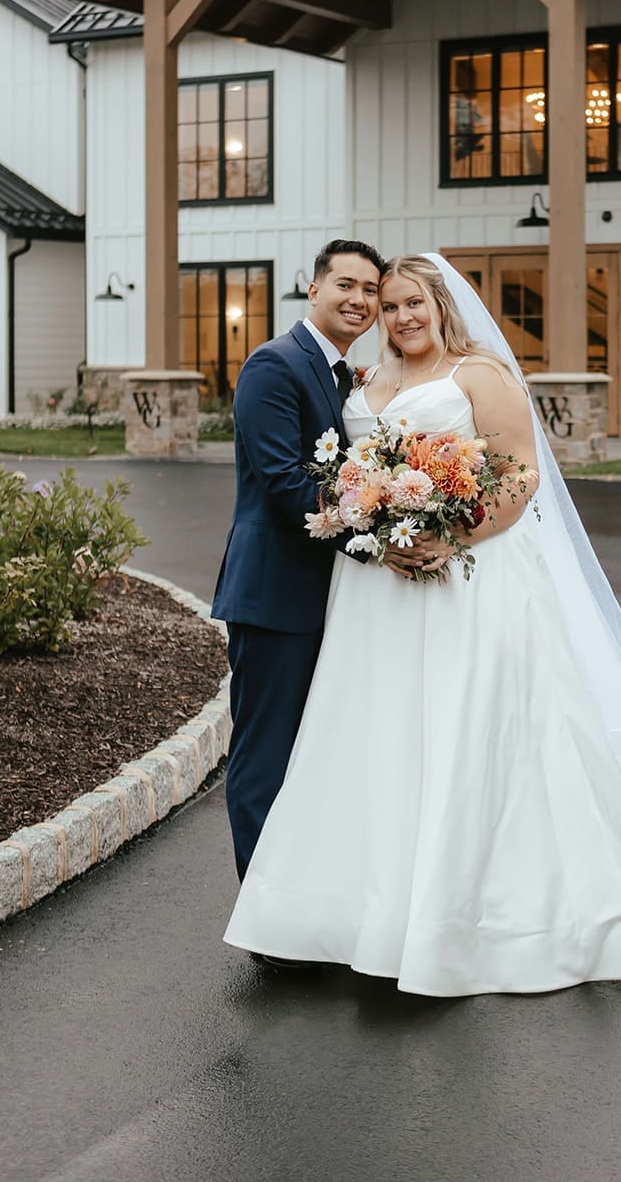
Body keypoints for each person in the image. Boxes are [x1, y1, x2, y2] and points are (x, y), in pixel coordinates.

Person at [224, 254, 621, 996]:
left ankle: (468, 906)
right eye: (386, 304)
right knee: (383, 736)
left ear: (441, 303)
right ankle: (362, 904)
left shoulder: (480, 372)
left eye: (409, 301)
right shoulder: (367, 385)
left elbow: (519, 472)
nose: (399, 316)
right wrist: (378, 526)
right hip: (377, 594)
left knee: (473, 731)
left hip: (466, 576)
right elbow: (335, 475)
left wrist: (449, 535)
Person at [210, 239, 386, 885]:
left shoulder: (341, 373)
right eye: (346, 284)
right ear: (312, 289)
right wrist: (377, 537)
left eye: (370, 290)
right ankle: (265, 909)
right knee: (264, 754)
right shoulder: (274, 363)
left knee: (315, 751)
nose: (359, 300)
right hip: (275, 593)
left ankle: (307, 894)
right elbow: (284, 481)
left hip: (327, 597)